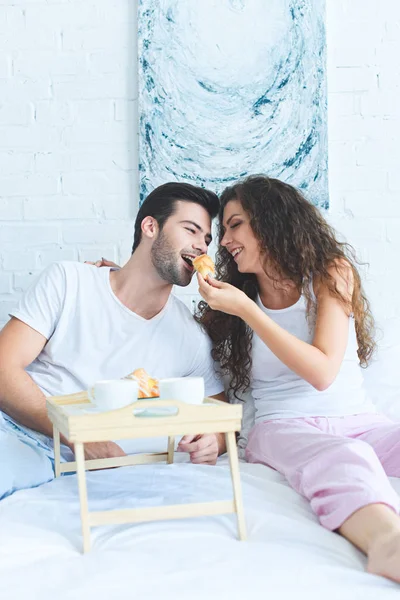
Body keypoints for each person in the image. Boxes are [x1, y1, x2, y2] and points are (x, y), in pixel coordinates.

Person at [196, 174, 400, 583]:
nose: (223, 241)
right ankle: (387, 544)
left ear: (270, 220)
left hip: (359, 421)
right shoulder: (237, 301)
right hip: (282, 428)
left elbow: (323, 370)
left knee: (368, 445)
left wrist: (246, 311)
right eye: (223, 230)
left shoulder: (330, 273)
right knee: (346, 459)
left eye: (235, 224)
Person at [0, 182, 226, 501]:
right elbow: (3, 368)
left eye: (206, 239)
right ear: (150, 226)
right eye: (191, 230)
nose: (202, 246)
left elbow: (219, 407)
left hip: (102, 473)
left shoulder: (189, 334)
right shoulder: (69, 282)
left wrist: (213, 440)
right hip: (20, 433)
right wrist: (78, 436)